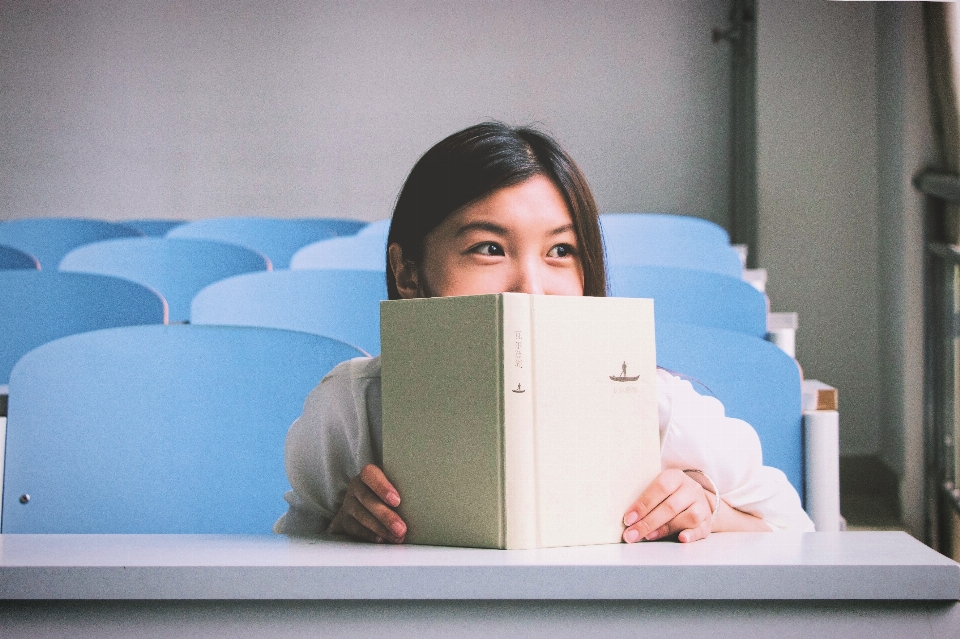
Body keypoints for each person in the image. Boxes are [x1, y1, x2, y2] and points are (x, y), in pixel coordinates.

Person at [276, 122, 815, 544]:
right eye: (489, 247)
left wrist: (710, 512)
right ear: (409, 273)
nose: (531, 288)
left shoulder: (654, 406)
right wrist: (338, 531)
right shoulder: (352, 409)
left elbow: (795, 531)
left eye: (561, 251)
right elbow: (291, 551)